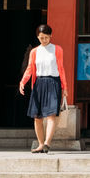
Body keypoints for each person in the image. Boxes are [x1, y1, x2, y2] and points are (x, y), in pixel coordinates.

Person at [18, 24, 69, 153]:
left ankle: (47, 143)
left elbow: (61, 69)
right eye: (41, 38)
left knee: (51, 115)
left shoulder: (57, 49)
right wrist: (23, 82)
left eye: (46, 37)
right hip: (39, 83)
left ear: (51, 36)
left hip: (53, 82)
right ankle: (40, 144)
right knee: (37, 117)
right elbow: (30, 68)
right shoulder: (34, 51)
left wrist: (65, 87)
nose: (44, 40)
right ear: (38, 37)